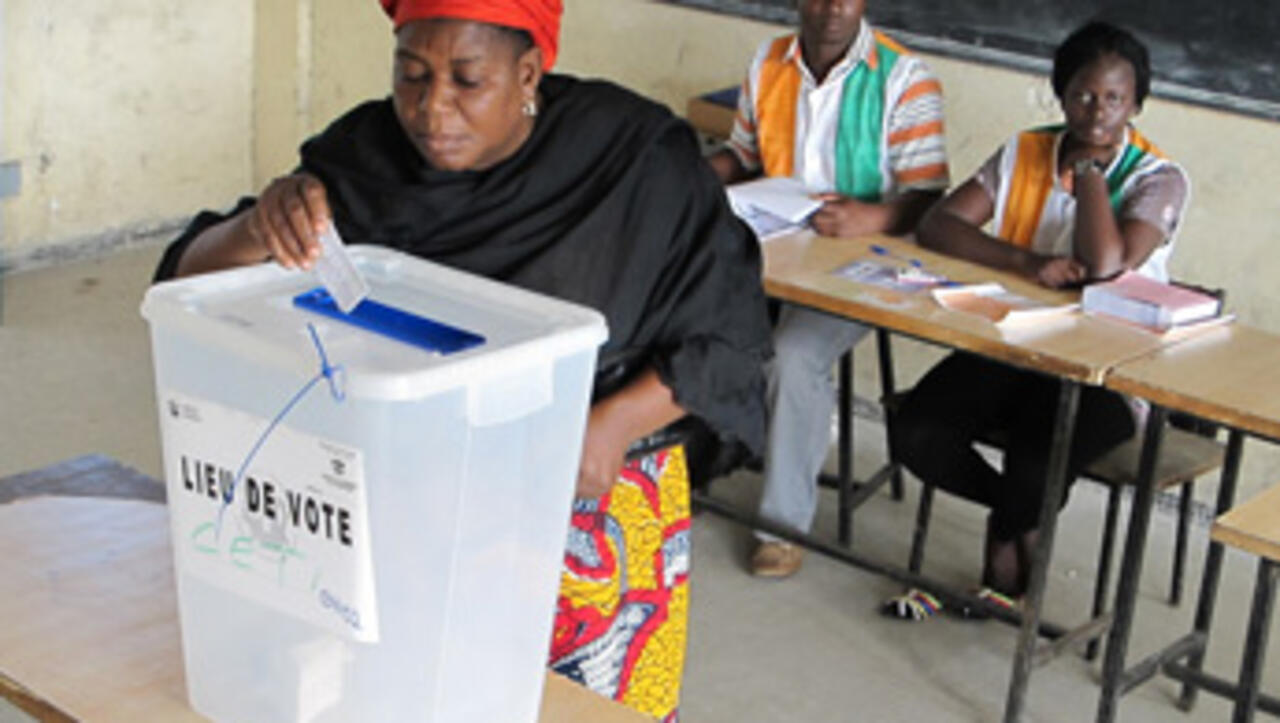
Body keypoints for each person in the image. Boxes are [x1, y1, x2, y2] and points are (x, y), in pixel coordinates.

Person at [153, 0, 773, 718]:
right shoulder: (365, 157)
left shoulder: (630, 157)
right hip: (409, 483)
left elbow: (730, 328)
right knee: (408, 693)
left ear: (529, 73)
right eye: (411, 74)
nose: (431, 108)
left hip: (586, 479)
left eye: (467, 80)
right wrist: (260, 225)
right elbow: (184, 287)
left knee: (580, 704)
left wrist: (613, 422)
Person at [885, 20, 1190, 620]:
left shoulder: (1160, 178)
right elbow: (940, 224)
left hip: (1109, 371)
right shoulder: (1026, 150)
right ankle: (1013, 524)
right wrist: (1025, 262)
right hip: (1018, 344)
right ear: (1060, 92)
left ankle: (1006, 555)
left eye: (1114, 99)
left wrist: (1091, 176)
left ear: (1137, 104)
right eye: (1082, 94)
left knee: (1035, 461)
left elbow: (1105, 264)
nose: (1096, 112)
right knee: (918, 431)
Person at [707, 0, 949, 578]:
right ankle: (697, 458)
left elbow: (933, 194)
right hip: (779, 243)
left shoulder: (904, 77)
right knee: (686, 301)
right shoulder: (769, 61)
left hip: (866, 259)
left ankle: (782, 527)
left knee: (793, 354)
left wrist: (875, 217)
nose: (834, 7)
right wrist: (688, 178)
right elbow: (743, 157)